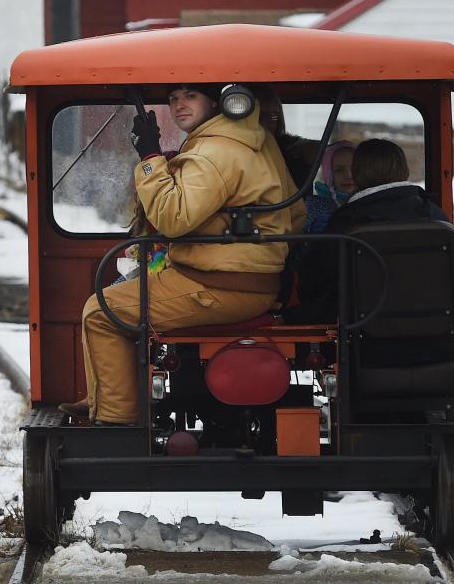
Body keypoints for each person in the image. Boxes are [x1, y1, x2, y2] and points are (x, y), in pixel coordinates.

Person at [60, 83, 301, 425]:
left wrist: (149, 159)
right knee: (115, 302)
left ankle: (116, 421)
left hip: (217, 286)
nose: (179, 106)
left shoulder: (214, 151)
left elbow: (172, 218)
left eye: (191, 96)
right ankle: (107, 395)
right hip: (257, 284)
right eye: (173, 98)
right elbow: (297, 214)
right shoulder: (259, 142)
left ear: (215, 102)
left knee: (101, 310)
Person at [295, 138, 454, 379]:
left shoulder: (344, 223)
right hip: (437, 345)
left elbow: (316, 283)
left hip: (365, 350)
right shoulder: (433, 216)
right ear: (403, 170)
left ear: (358, 173)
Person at [251, 85, 318, 190]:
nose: (266, 121)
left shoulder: (292, 156)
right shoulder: (234, 150)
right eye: (259, 115)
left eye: (273, 116)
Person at [304, 141, 355, 233]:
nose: (349, 175)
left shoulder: (370, 201)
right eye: (339, 170)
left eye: (354, 169)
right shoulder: (314, 205)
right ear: (328, 174)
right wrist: (310, 232)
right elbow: (298, 242)